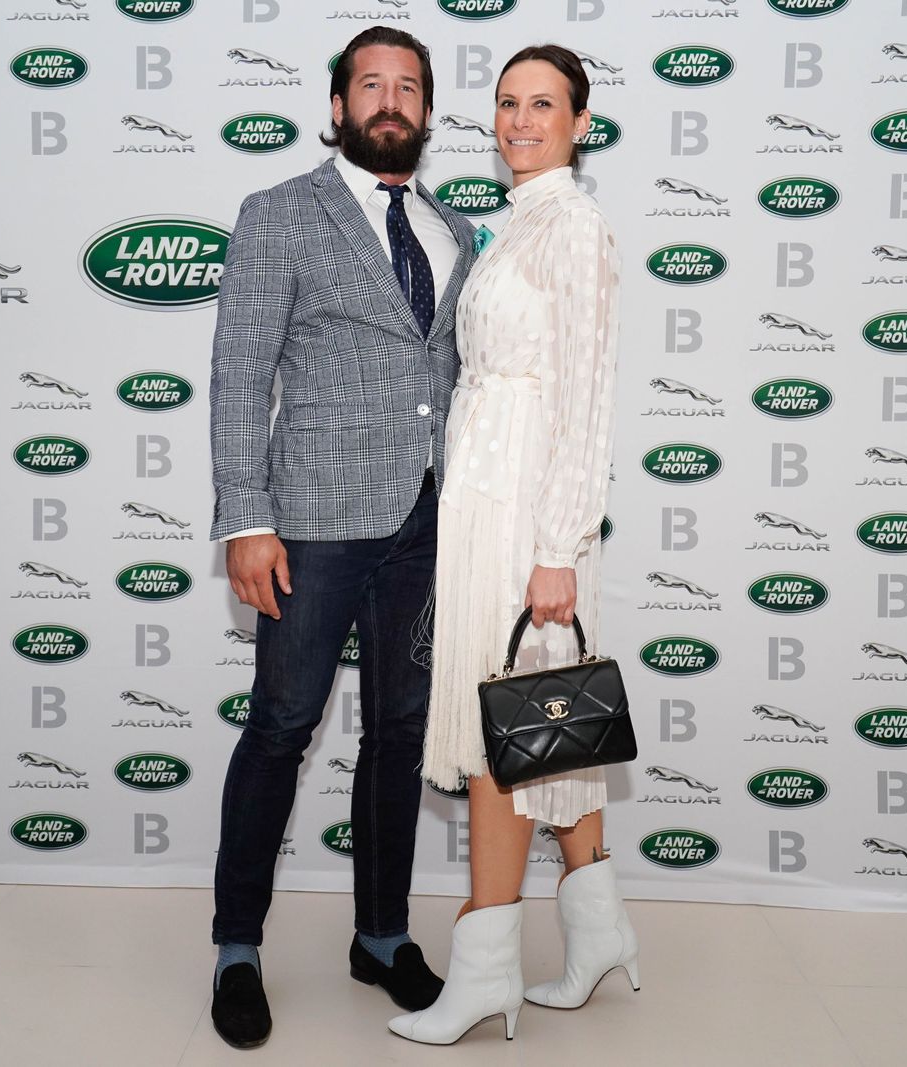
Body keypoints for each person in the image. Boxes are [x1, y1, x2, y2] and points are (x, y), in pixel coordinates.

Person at [206, 26, 478, 1051]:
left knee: (400, 731)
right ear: (337, 107)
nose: (389, 101)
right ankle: (237, 946)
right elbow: (241, 370)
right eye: (371, 84)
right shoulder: (279, 212)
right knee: (281, 724)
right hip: (312, 523)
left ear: (426, 112)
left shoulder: (455, 229)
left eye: (408, 86)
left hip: (426, 521)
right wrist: (247, 517)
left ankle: (380, 933)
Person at [387, 45, 634, 1046]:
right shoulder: (518, 221)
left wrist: (558, 545)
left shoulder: (573, 226)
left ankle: (485, 971)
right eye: (506, 103)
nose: (520, 120)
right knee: (548, 720)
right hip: (486, 494)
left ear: (580, 124)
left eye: (543, 105)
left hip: (529, 507)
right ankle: (599, 932)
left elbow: (586, 399)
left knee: (505, 727)